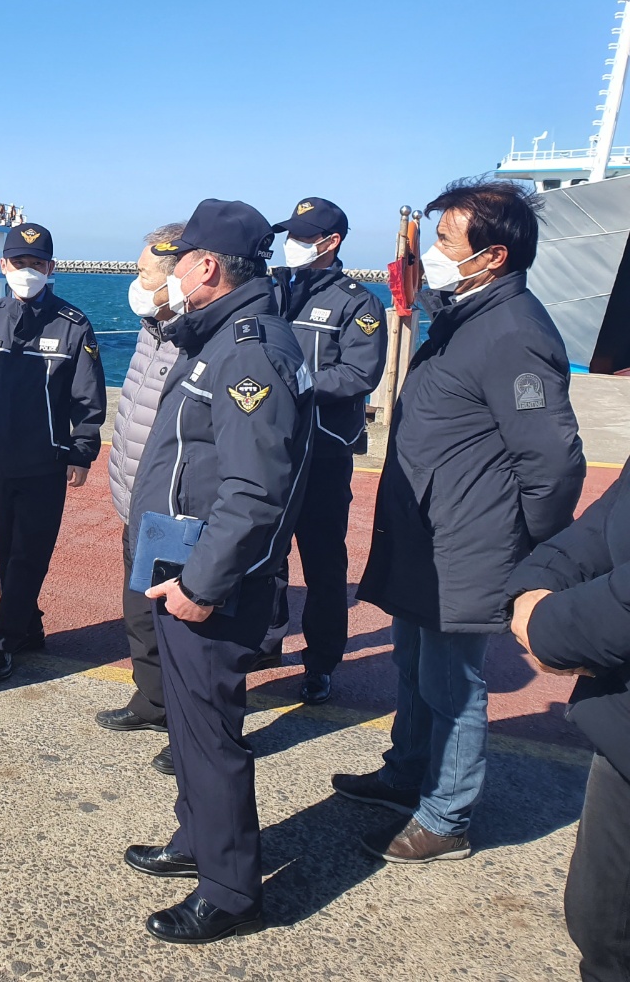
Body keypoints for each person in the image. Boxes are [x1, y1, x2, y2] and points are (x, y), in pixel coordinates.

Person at [339, 176, 584, 863]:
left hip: (468, 542)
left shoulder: (515, 334)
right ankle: (407, 772)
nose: (434, 252)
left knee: (453, 685)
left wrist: (534, 549)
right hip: (429, 534)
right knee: (414, 664)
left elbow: (554, 458)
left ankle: (446, 818)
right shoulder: (467, 312)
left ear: (493, 256)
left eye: (446, 240)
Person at [122, 199, 313, 944]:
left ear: (206, 266)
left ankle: (232, 891)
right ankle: (196, 840)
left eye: (177, 262)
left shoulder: (246, 351)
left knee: (210, 737)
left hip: (209, 576)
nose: (167, 275)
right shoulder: (218, 335)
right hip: (182, 559)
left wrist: (203, 585)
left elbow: (256, 490)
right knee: (194, 726)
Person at [0, 222, 107, 682]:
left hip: (46, 462)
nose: (27, 271)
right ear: (4, 265)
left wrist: (82, 451)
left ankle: (3, 638)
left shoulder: (73, 324)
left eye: (36, 263)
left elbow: (88, 396)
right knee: (5, 552)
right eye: (19, 263)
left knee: (29, 554)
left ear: (50, 268)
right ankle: (28, 626)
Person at [508, 460, 630, 982]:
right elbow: (608, 519)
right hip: (621, 732)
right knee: (601, 926)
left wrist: (552, 627)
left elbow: (550, 462)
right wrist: (537, 583)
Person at [267, 197, 386, 704]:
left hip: (323, 452)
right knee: (263, 554)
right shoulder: (271, 289)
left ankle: (321, 662)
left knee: (322, 563)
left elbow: (360, 373)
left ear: (331, 242)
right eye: (289, 235)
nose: (291, 244)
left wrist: (296, 382)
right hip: (269, 447)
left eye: (303, 236)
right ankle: (265, 644)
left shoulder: (358, 303)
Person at [96, 223, 186, 733]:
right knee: (138, 612)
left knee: (180, 622)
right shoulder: (152, 329)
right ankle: (152, 700)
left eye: (143, 273)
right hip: (134, 497)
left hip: (172, 504)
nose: (135, 283)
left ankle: (190, 726)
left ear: (176, 279)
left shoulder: (198, 339)